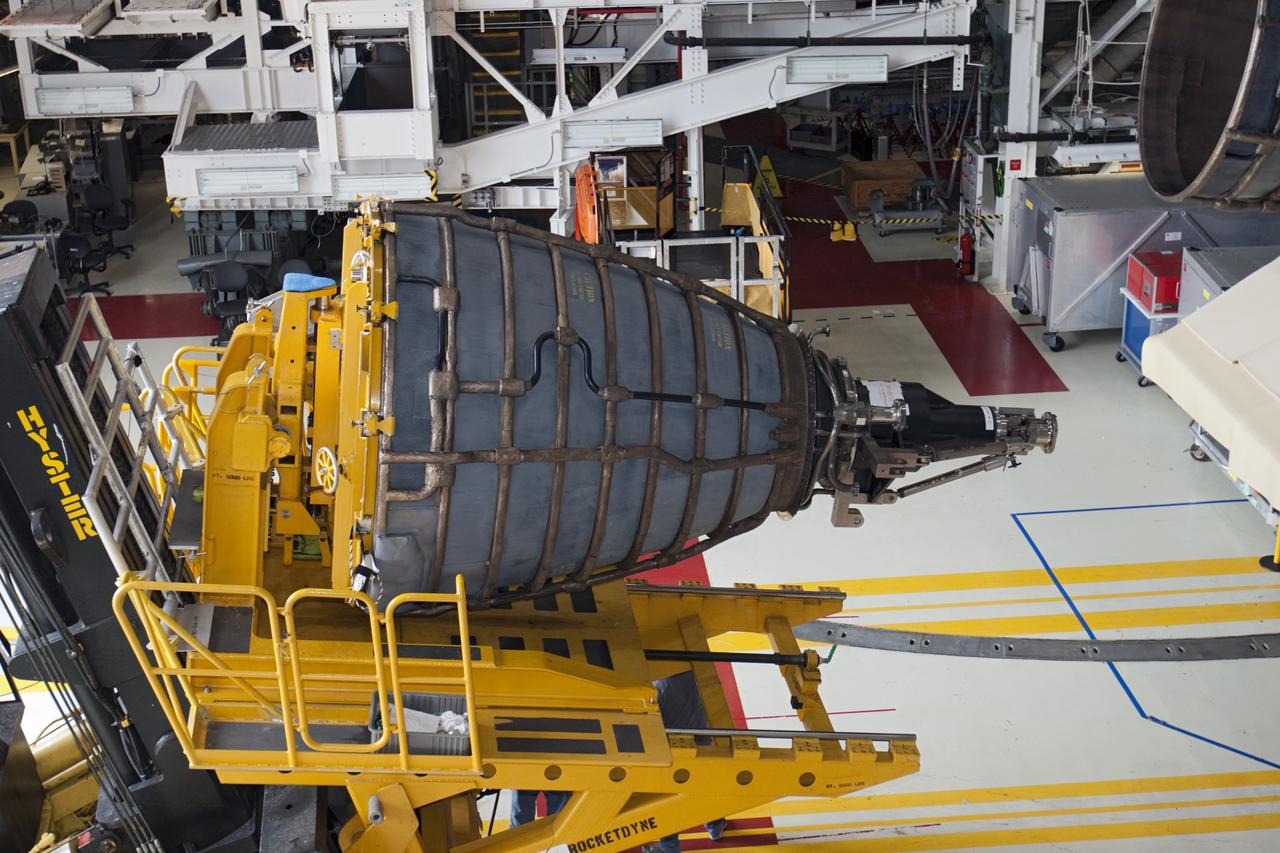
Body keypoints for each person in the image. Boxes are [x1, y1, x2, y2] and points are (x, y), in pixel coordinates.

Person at [641, 671, 728, 852]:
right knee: (704, 788)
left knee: (669, 799)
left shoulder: (655, 685)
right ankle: (715, 826)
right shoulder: (694, 670)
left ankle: (669, 846)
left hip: (673, 750)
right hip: (701, 739)